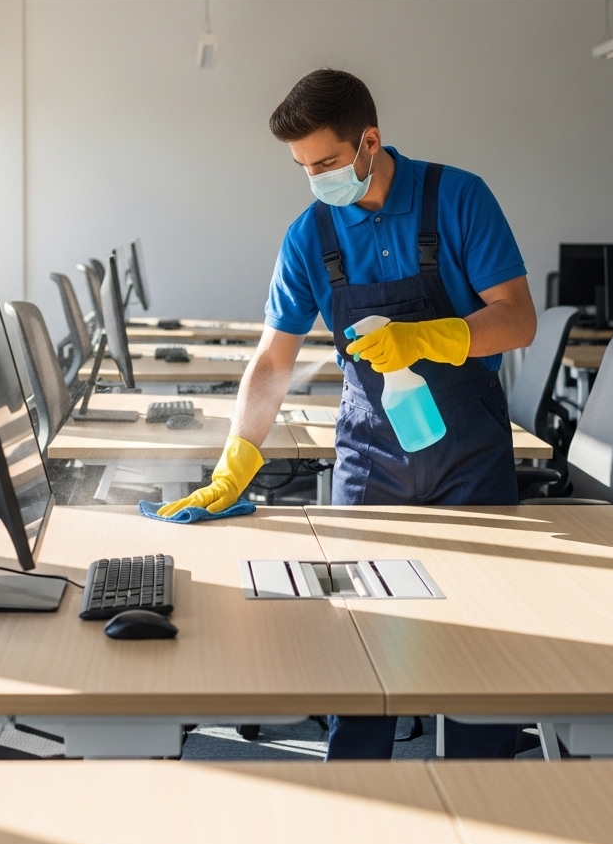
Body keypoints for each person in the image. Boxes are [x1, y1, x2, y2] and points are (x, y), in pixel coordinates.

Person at [158, 69, 536, 759]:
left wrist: (427, 337)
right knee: (360, 653)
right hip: (371, 455)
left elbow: (517, 320)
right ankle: (355, 808)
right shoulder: (310, 236)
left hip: (469, 454)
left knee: (485, 653)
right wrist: (236, 461)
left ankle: (489, 805)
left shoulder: (459, 198)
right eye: (303, 168)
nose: (316, 178)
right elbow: (274, 361)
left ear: (370, 140)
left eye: (327, 162)